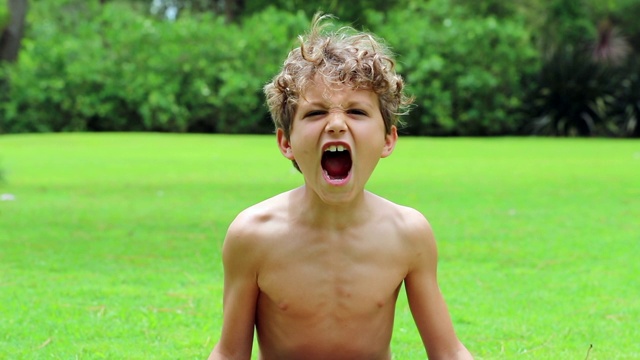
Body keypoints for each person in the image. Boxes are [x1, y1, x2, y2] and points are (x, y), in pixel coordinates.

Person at [208, 13, 473, 360]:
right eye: (316, 113)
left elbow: (448, 352)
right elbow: (230, 354)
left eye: (357, 113)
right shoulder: (253, 235)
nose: (336, 124)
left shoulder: (407, 234)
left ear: (387, 140)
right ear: (286, 142)